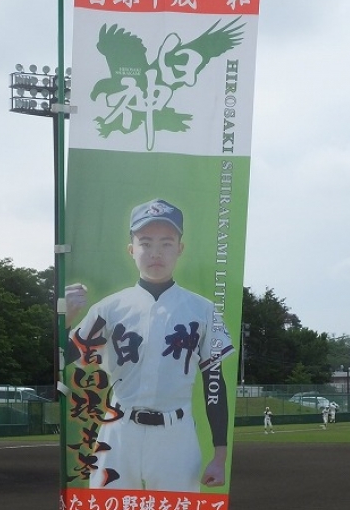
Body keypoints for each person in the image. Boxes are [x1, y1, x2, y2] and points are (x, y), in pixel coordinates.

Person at [64, 198, 233, 492]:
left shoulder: (203, 310)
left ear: (180, 248)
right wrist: (64, 320)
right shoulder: (109, 308)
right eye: (145, 243)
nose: (156, 252)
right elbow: (64, 357)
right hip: (118, 432)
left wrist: (220, 456)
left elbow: (214, 383)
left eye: (166, 243)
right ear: (131, 250)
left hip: (176, 436)